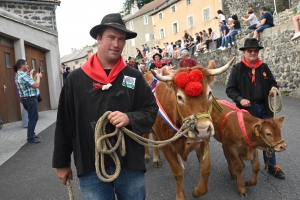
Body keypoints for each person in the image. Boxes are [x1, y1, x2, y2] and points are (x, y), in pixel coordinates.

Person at [52, 13, 158, 200]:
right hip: (91, 166)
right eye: (111, 37)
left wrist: (129, 118)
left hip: (130, 164)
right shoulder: (76, 80)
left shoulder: (132, 76)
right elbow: (64, 124)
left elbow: (150, 110)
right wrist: (62, 163)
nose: (116, 44)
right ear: (98, 38)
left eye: (121, 39)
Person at [226, 38, 285, 179]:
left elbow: (273, 83)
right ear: (244, 52)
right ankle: (242, 159)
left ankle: (271, 166)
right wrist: (240, 99)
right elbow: (230, 89)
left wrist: (273, 89)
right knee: (247, 137)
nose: (253, 53)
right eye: (249, 51)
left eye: (255, 51)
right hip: (247, 113)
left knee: (269, 136)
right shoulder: (237, 69)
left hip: (264, 108)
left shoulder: (263, 67)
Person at [14, 59, 43, 143]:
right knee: (33, 118)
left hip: (26, 99)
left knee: (32, 117)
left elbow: (30, 84)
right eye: (26, 64)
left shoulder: (19, 75)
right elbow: (36, 85)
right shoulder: (23, 75)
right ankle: (30, 138)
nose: (28, 66)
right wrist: (38, 77)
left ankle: (32, 135)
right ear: (22, 65)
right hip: (30, 99)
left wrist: (34, 77)